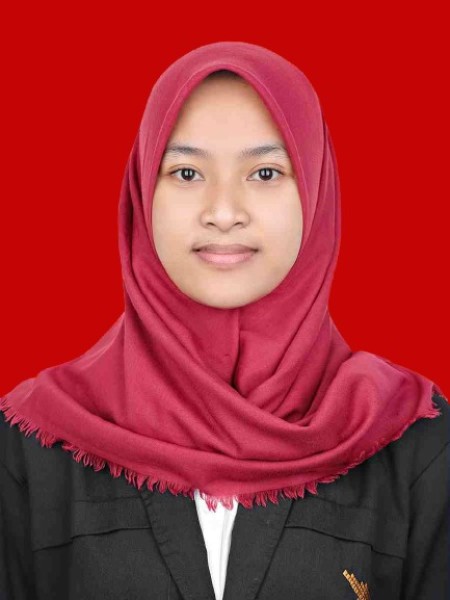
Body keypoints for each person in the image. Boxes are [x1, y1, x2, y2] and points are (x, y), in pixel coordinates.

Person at [0, 40, 448, 600]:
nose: (223, 212)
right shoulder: (35, 443)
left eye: (265, 172)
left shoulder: (410, 439)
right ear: (143, 191)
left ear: (316, 191)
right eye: (187, 172)